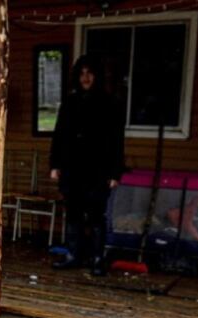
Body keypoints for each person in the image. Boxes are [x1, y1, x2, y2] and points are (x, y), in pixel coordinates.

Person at [49, 55, 125, 276]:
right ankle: (73, 255)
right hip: (72, 169)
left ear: (97, 76)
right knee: (73, 213)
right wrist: (55, 164)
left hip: (98, 170)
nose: (85, 77)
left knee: (95, 215)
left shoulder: (109, 103)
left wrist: (115, 172)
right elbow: (59, 135)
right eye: (81, 73)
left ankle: (97, 259)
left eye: (89, 73)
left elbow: (116, 141)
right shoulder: (70, 103)